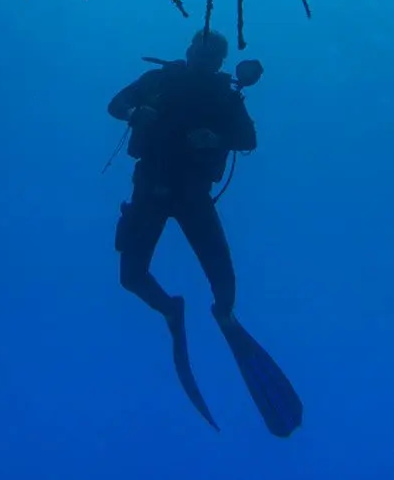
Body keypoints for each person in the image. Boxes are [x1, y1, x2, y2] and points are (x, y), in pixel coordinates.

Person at [107, 28, 302, 436]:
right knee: (130, 277)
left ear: (219, 62)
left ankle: (224, 314)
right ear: (190, 49)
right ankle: (170, 308)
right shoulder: (159, 80)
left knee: (223, 278)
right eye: (201, 50)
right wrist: (133, 114)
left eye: (214, 56)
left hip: (192, 195)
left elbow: (248, 138)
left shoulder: (224, 94)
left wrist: (216, 136)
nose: (205, 59)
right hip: (151, 189)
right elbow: (116, 104)